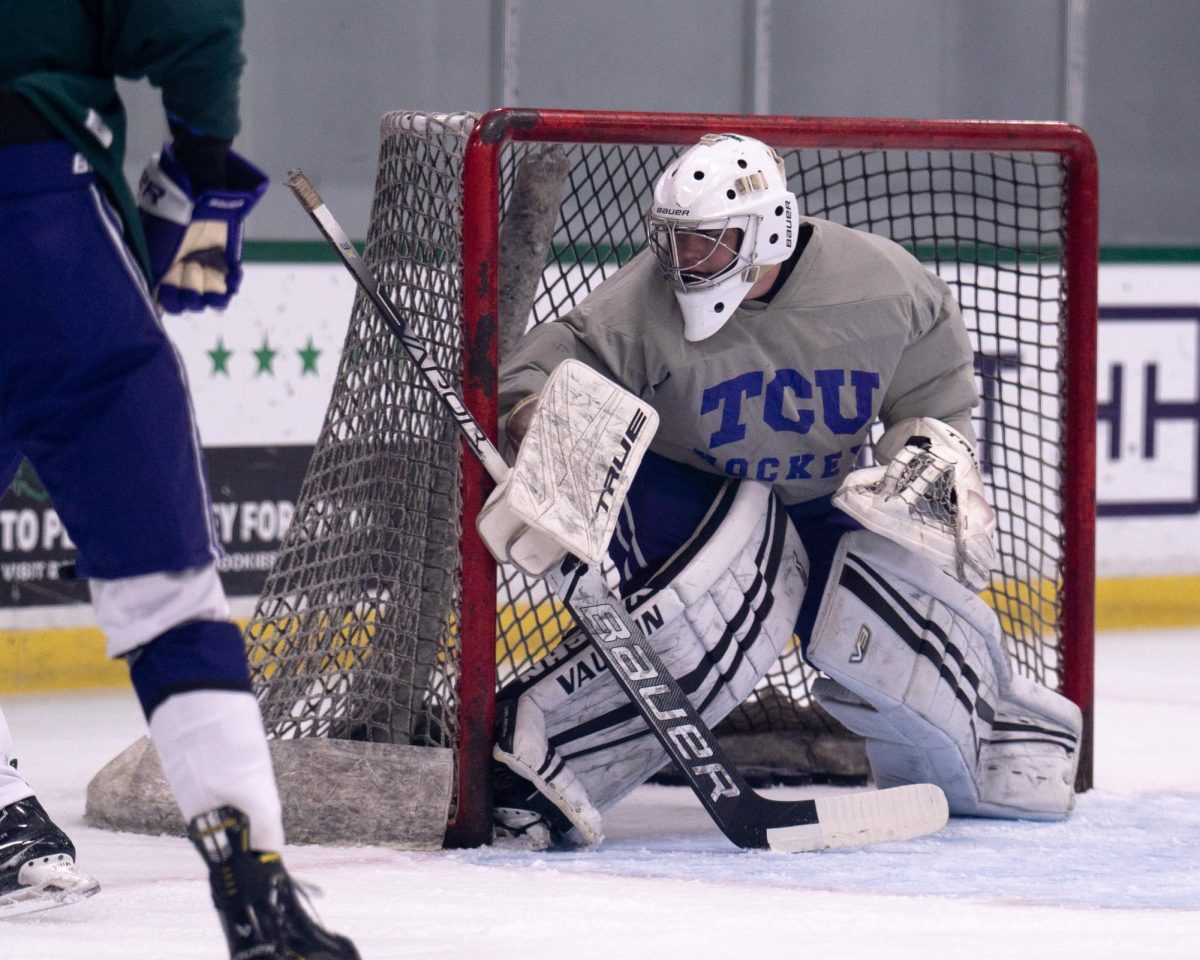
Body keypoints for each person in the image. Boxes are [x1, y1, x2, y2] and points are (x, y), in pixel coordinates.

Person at [485, 132, 1084, 848]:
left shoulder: (884, 286)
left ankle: (997, 736)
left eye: (707, 243)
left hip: (817, 499)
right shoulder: (645, 302)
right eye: (676, 241)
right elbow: (539, 374)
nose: (683, 262)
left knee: (899, 621)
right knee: (711, 617)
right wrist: (541, 427)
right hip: (689, 495)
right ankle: (531, 758)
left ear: (769, 228)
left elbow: (931, 399)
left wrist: (920, 462)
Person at [0, 2, 359, 954]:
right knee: (168, 593)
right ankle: (258, 893)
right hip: (41, 218)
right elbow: (188, 22)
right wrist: (202, 166)